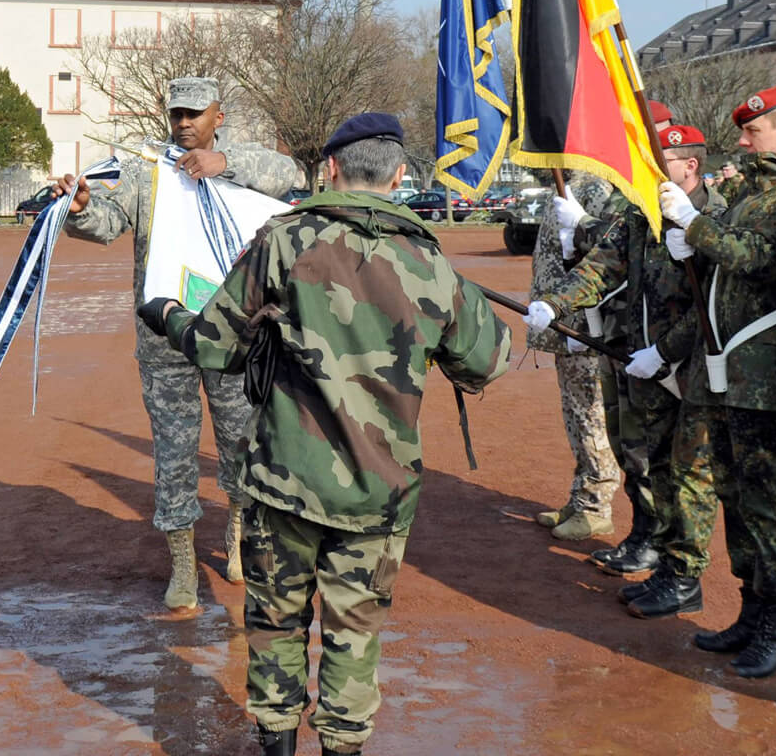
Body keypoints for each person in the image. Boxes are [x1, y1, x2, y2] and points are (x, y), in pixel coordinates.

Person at [142, 112, 512, 756]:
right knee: (355, 633)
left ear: (331, 168)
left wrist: (167, 314)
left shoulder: (284, 241)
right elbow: (487, 360)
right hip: (379, 492)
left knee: (277, 625)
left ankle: (277, 742)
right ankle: (344, 744)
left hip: (286, 482)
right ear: (399, 177)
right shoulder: (426, 258)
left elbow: (214, 344)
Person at [61, 77, 299, 614]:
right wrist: (79, 210)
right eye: (176, 115)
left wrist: (226, 164)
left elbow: (292, 177)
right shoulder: (149, 172)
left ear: (219, 116)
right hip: (164, 333)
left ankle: (237, 525)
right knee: (173, 450)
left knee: (241, 439)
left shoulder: (242, 165)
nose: (184, 123)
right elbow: (107, 223)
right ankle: (183, 562)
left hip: (233, 333)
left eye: (195, 113)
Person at [632, 84, 776, 679]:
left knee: (765, 503)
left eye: (753, 130)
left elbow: (762, 261)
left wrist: (695, 227)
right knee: (727, 493)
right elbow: (724, 262)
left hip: (763, 376)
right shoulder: (752, 191)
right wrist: (691, 236)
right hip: (721, 369)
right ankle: (748, 609)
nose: (741, 141)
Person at [530, 122, 722, 582]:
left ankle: (680, 570)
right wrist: (554, 303)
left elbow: (717, 300)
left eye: (660, 161)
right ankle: (649, 540)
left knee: (687, 471)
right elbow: (603, 264)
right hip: (634, 349)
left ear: (690, 165)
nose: (646, 168)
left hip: (684, 363)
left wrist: (697, 234)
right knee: (638, 451)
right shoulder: (642, 211)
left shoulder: (716, 215)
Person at [529, 171, 620, 540]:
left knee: (590, 417)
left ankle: (597, 505)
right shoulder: (566, 182)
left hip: (582, 326)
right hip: (561, 324)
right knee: (575, 417)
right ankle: (581, 496)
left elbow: (606, 255)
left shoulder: (599, 185)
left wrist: (586, 323)